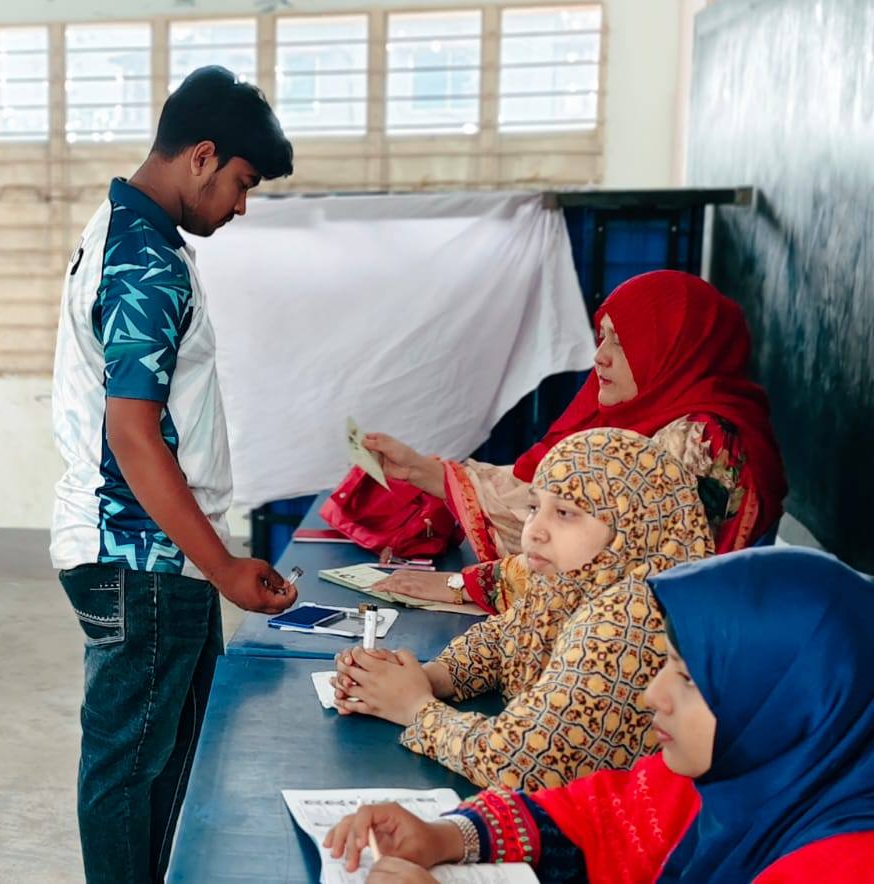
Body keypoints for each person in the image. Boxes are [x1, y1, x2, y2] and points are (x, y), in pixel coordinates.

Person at [49, 66, 296, 884]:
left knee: (171, 767)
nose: (241, 205)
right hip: (141, 559)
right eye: (242, 183)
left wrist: (213, 561)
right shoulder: (143, 261)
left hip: (158, 555)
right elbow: (133, 436)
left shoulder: (130, 233)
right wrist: (222, 566)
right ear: (201, 156)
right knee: (129, 773)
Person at [321, 547, 874, 883]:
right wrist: (446, 837)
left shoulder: (844, 865)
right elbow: (596, 817)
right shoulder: (723, 782)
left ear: (790, 706)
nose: (653, 695)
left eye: (687, 678)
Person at [365, 270, 785, 614]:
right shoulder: (648, 419)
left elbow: (608, 569)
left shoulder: (700, 439)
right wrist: (422, 470)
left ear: (673, 349)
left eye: (623, 341)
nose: (600, 355)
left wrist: (464, 585)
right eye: (603, 336)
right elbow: (548, 500)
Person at [333, 428, 712, 791]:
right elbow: (505, 637)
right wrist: (425, 677)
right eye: (534, 507)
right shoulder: (576, 578)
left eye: (564, 513)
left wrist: (414, 706)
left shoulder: (632, 620)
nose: (534, 531)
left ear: (631, 525)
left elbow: (520, 763)